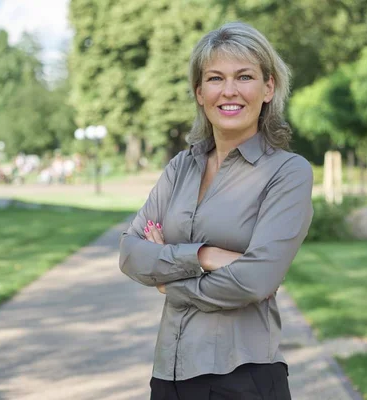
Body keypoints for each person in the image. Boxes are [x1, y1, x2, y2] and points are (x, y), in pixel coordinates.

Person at [119, 21, 313, 400]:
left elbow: (256, 280)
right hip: (169, 374)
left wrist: (168, 278)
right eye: (215, 78)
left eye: (244, 77)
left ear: (268, 87)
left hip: (243, 376)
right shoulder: (180, 168)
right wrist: (205, 255)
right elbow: (130, 253)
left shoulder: (288, 172)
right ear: (199, 91)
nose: (229, 91)